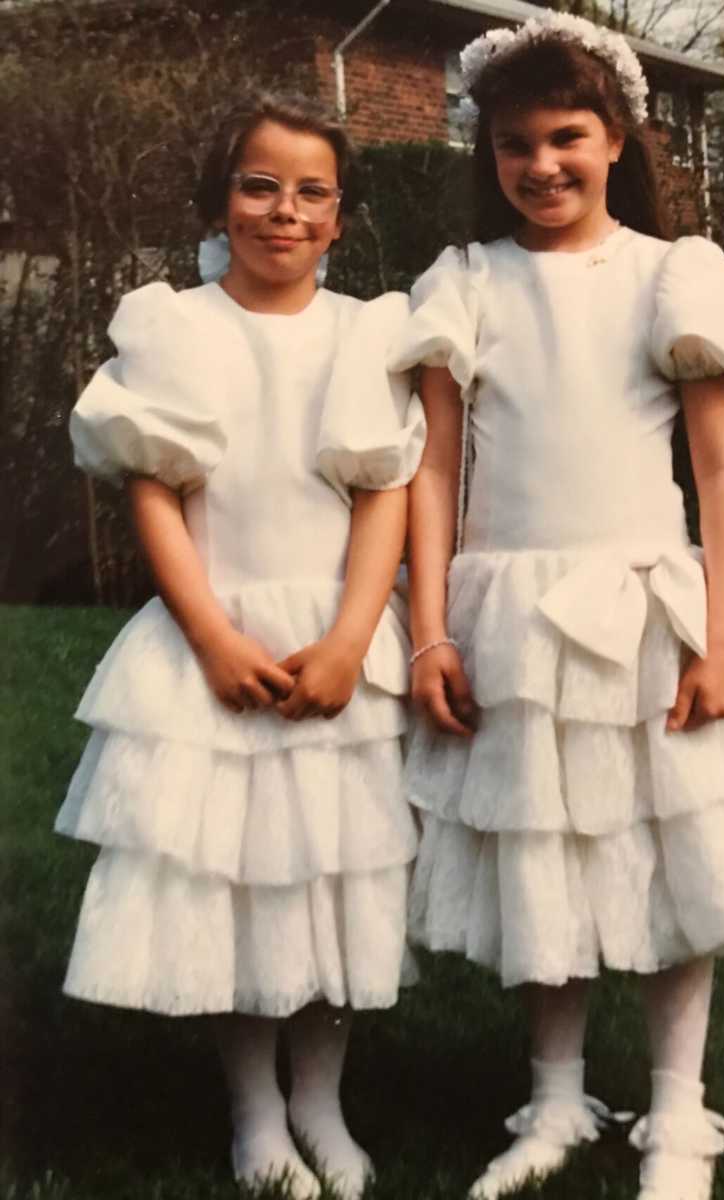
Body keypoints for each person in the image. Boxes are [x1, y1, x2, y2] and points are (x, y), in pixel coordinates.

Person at [389, 13, 724, 1200]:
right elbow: (434, 469)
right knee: (545, 847)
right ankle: (552, 1097)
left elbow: (723, 471)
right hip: (509, 612)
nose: (541, 166)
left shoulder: (668, 274)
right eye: (514, 145)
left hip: (647, 606)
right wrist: (430, 625)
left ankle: (680, 1111)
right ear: (487, 156)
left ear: (616, 140)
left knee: (668, 849)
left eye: (567, 139)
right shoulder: (466, 283)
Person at [55, 93, 424, 1200]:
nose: (284, 210)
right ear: (224, 199)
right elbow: (156, 492)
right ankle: (255, 1108)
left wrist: (354, 635)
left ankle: (322, 1094)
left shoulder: (365, 332)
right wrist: (210, 635)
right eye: (260, 186)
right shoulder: (177, 327)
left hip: (333, 635)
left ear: (340, 217)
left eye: (312, 192)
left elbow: (385, 491)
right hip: (212, 637)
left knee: (335, 865)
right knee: (235, 874)